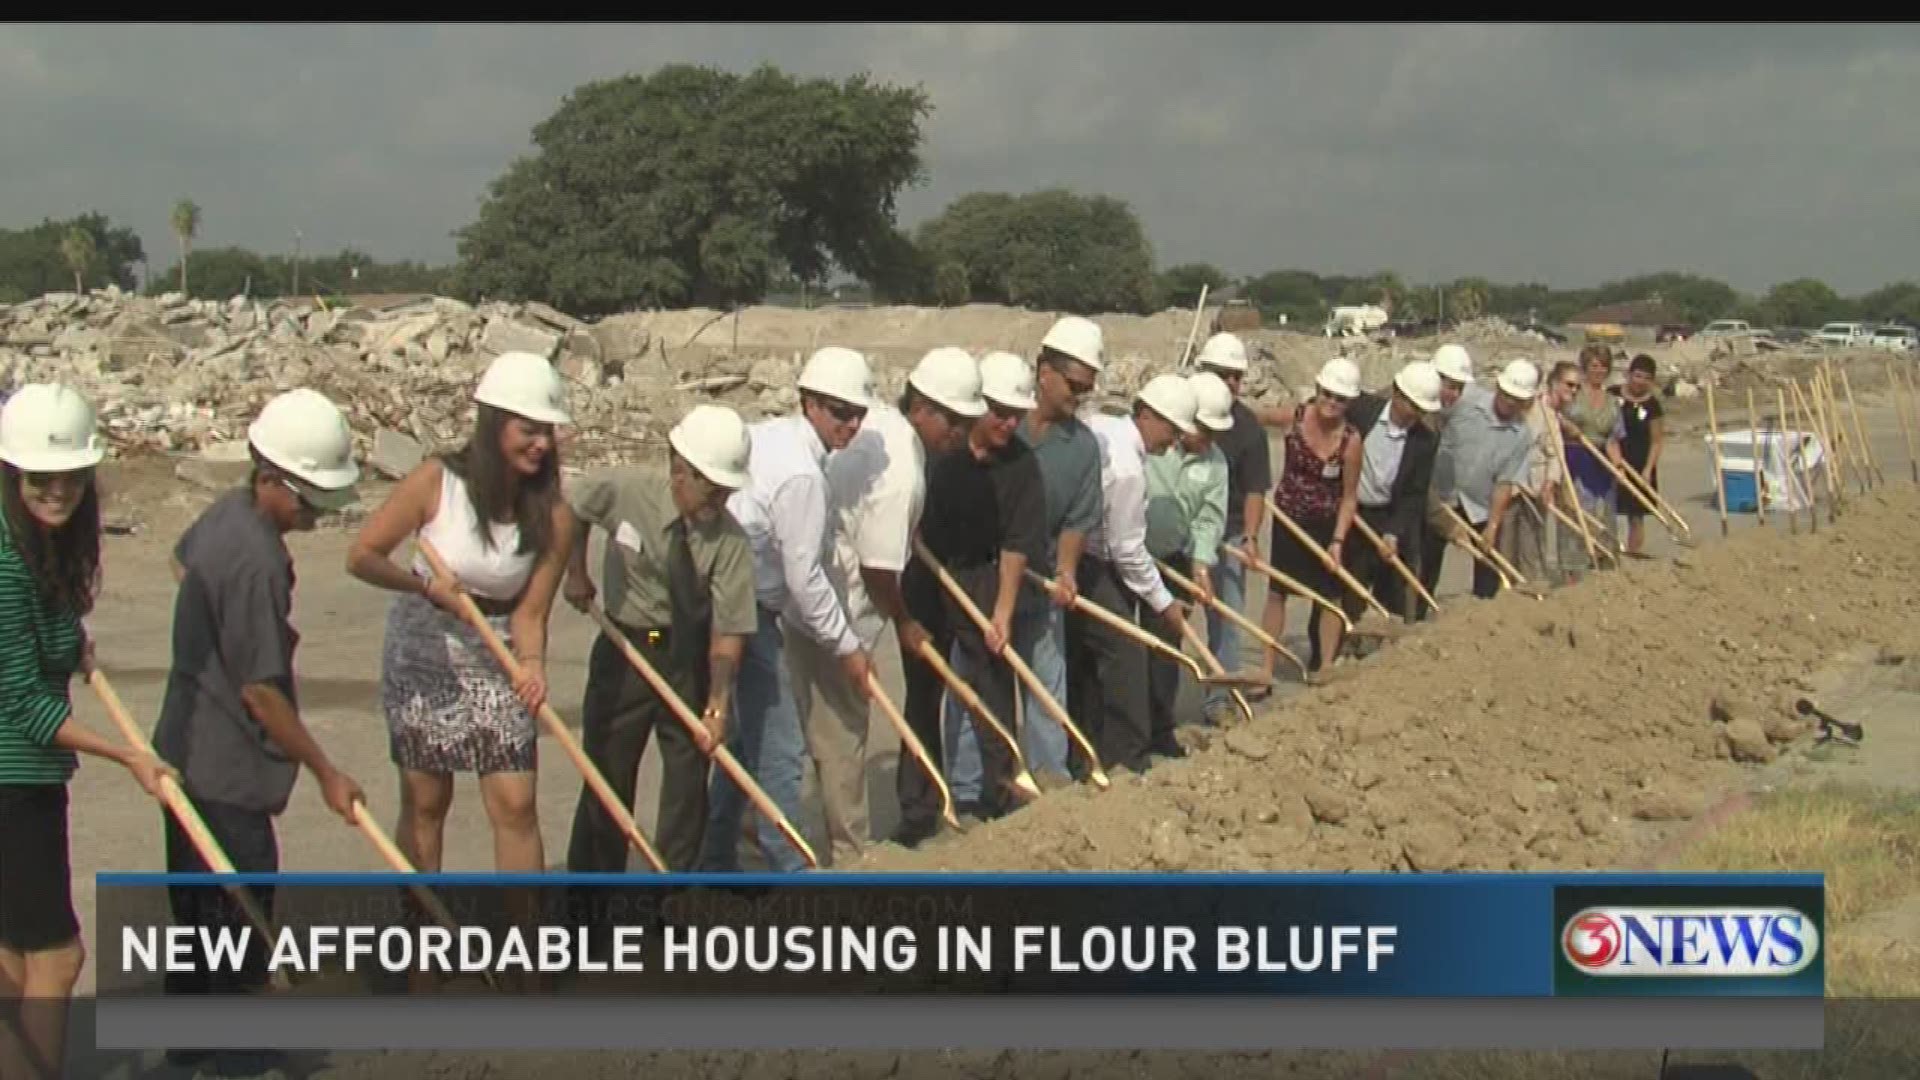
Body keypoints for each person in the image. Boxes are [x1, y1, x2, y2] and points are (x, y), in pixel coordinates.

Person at [154, 387, 367, 1074]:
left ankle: (189, 1047)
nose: (313, 515)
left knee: (193, 919)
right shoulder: (258, 560)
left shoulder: (225, 515)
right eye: (307, 501)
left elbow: (182, 563)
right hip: (226, 769)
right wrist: (329, 772)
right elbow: (263, 694)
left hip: (181, 750)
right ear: (272, 478)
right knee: (237, 921)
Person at [346, 351, 575, 875]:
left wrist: (534, 664)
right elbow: (362, 556)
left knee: (516, 803)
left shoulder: (557, 516)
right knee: (427, 801)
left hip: (499, 651)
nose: (541, 443)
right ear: (494, 424)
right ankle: (422, 944)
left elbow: (530, 612)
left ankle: (525, 948)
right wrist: (425, 587)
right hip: (424, 648)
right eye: (528, 429)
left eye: (548, 431)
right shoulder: (435, 481)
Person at [0, 385, 172, 1080]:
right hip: (14, 783)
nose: (59, 491)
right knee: (58, 956)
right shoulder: (7, 564)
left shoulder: (30, 545)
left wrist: (73, 642)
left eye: (72, 477)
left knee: (13, 957)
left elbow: (42, 647)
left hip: (25, 778)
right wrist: (125, 754)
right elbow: (24, 705)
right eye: (42, 479)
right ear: (13, 475)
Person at [801, 348, 984, 866]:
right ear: (922, 406)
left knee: (793, 730)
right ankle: (851, 855)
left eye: (968, 422)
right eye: (953, 421)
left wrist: (909, 532)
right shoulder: (903, 467)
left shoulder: (882, 424)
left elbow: (872, 514)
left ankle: (758, 838)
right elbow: (879, 569)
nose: (961, 435)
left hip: (811, 592)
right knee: (842, 736)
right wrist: (905, 622)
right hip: (838, 608)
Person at [560, 404, 756, 877]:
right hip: (627, 646)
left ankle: (670, 896)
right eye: (710, 486)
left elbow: (729, 629)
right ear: (678, 469)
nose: (719, 500)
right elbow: (570, 507)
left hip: (686, 655)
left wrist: (717, 704)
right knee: (607, 772)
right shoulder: (628, 491)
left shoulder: (730, 541)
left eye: (727, 490)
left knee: (689, 785)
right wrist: (575, 572)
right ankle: (591, 900)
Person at [699, 347, 875, 873]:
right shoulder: (802, 475)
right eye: (840, 412)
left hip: (729, 599)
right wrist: (847, 647)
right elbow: (805, 577)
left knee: (736, 742)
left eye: (858, 413)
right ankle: (791, 873)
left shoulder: (770, 436)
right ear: (809, 404)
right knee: (780, 749)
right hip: (747, 612)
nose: (851, 423)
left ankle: (712, 864)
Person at [896, 352, 1046, 845]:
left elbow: (1017, 544)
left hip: (981, 575)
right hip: (926, 571)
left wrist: (1000, 614)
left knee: (992, 686)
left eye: (1017, 415)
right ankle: (920, 810)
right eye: (1000, 412)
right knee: (922, 693)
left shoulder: (1021, 465)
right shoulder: (938, 450)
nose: (1009, 422)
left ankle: (999, 792)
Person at [1071, 375, 1197, 774]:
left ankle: (1085, 755)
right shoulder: (1127, 468)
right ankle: (1127, 757)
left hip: (1087, 557)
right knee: (1127, 655)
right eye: (1171, 430)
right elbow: (1127, 549)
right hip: (1091, 563)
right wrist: (1164, 604)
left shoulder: (1104, 426)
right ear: (1146, 414)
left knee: (1088, 663)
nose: (1173, 441)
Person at [999, 320, 1105, 783]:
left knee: (1047, 680)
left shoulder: (1081, 447)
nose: (1079, 395)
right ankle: (979, 787)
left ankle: (1049, 774)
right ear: (1044, 371)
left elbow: (1077, 520)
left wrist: (1066, 571)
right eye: (1073, 384)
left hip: (1040, 581)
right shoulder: (1003, 424)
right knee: (982, 686)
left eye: (1087, 387)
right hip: (985, 575)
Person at [1305, 360, 1442, 668]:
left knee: (1390, 592)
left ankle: (1376, 660)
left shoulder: (1424, 441)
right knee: (1337, 586)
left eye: (1422, 411)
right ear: (1397, 394)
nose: (1416, 416)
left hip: (1385, 516)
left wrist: (1393, 532)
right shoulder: (1360, 411)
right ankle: (1323, 659)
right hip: (1347, 511)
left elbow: (1414, 495)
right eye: (1413, 407)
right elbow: (1316, 416)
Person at [1139, 371, 1231, 757]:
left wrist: (1201, 568)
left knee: (1166, 648)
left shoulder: (1215, 464)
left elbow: (1208, 520)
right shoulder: (1151, 445)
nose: (1208, 439)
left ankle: (1160, 727)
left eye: (1214, 433)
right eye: (1203, 430)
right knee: (1126, 647)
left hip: (1175, 560)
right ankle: (1126, 731)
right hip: (1132, 555)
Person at [1255, 358, 1364, 678]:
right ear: (1317, 389)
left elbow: (1349, 497)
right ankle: (1266, 668)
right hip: (1288, 521)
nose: (1331, 402)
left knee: (1330, 597)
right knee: (1277, 593)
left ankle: (1326, 667)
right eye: (1327, 394)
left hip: (1326, 525)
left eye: (1340, 398)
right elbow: (1256, 417)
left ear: (1350, 402)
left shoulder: (1351, 441)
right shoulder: (1296, 416)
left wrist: (1338, 541)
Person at [1189, 332, 1272, 718]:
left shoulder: (1248, 426)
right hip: (1179, 535)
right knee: (1172, 620)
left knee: (1227, 621)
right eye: (1224, 374)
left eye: (1237, 376)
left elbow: (1255, 488)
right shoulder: (1181, 411)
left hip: (1229, 533)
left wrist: (1251, 537)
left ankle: (1220, 701)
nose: (1232, 383)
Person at [1435, 358, 1540, 598]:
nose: (1509, 402)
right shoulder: (1466, 402)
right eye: (1505, 395)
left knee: (1488, 565)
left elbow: (1505, 482)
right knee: (1427, 558)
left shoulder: (1521, 435)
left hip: (1478, 505)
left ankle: (1483, 616)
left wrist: (1492, 525)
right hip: (1441, 496)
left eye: (1516, 400)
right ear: (1498, 388)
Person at [1415, 343, 1477, 620]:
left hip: (1431, 511)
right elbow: (1419, 481)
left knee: (1427, 577)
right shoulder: (1419, 416)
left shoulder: (1439, 417)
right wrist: (1449, 525)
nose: (1453, 394)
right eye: (1449, 385)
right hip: (1410, 512)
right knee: (1408, 580)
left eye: (1458, 388)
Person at [1562, 345, 1622, 567]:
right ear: (1585, 367)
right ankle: (1574, 568)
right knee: (1576, 516)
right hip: (1575, 458)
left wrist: (1618, 465)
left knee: (1604, 517)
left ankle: (1605, 564)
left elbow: (1614, 438)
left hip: (1602, 462)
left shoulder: (1612, 401)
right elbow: (1555, 417)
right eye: (1595, 365)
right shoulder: (1573, 395)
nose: (1599, 370)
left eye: (1604, 366)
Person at [1608, 354, 1665, 558]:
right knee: (1608, 509)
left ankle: (1633, 552)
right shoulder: (1613, 395)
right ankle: (1607, 550)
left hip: (1640, 463)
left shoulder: (1653, 406)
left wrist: (1648, 470)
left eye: (1646, 377)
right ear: (1629, 374)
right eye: (1637, 375)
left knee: (1636, 514)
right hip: (1613, 459)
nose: (1640, 381)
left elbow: (1657, 440)